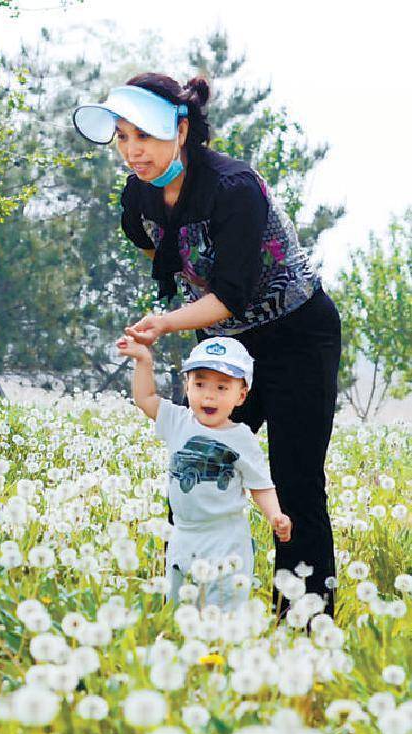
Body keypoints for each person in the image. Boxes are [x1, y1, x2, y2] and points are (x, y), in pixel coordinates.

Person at [74, 73, 342, 614]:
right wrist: (179, 312)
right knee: (197, 463)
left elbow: (231, 295)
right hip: (224, 349)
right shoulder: (138, 193)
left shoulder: (233, 188)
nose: (131, 151)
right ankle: (197, 609)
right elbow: (161, 253)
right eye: (122, 137)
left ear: (181, 128)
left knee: (293, 482)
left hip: (295, 337)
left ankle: (305, 625)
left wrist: (166, 321)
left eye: (143, 136)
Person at [117, 334, 292, 610]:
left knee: (223, 609)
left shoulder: (242, 439)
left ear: (241, 395)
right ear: (187, 386)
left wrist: (275, 515)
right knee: (179, 609)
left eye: (222, 387)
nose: (209, 395)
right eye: (199, 384)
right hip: (183, 535)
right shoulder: (177, 420)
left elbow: (260, 484)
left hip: (226, 539)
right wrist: (143, 359)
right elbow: (144, 397)